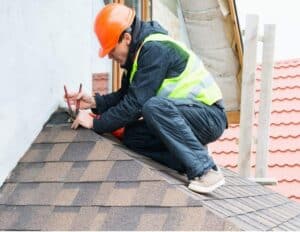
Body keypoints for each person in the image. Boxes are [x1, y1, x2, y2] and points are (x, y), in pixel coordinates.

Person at [65, 3, 228, 194]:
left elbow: (135, 105)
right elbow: (126, 96)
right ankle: (186, 158)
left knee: (152, 107)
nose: (109, 56)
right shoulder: (137, 58)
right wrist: (95, 103)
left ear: (126, 38)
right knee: (132, 135)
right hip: (185, 118)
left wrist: (96, 125)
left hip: (209, 116)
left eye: (111, 49)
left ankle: (205, 171)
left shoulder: (155, 49)